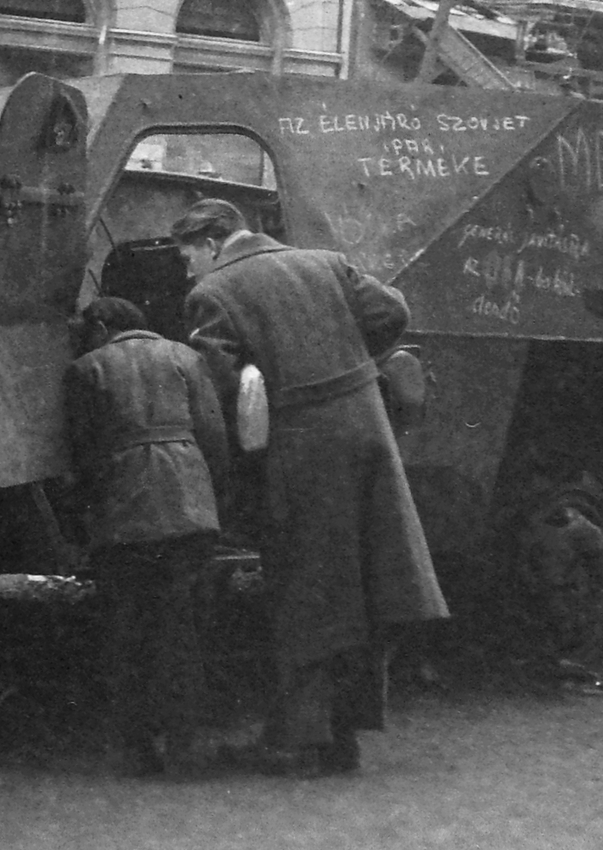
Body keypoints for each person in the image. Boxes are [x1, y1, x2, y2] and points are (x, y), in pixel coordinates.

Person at [171, 198, 448, 777]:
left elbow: (218, 387)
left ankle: (302, 741)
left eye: (187, 256)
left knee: (307, 590)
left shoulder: (214, 293)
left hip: (302, 452)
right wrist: (347, 364)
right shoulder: (326, 262)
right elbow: (392, 314)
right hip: (368, 437)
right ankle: (344, 735)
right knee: (367, 585)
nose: (188, 270)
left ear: (211, 243)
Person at [64, 294, 230, 777]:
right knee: (181, 630)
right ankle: (188, 751)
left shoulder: (85, 369)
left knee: (127, 629)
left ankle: (134, 751)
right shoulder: (185, 356)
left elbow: (81, 453)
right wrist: (212, 494)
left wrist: (82, 518)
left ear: (100, 326)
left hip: (124, 512)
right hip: (187, 503)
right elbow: (213, 435)